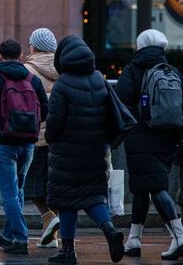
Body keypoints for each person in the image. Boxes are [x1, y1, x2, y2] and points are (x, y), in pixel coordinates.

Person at [46, 35, 124, 264]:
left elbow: (54, 122)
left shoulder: (63, 84)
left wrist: (50, 138)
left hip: (67, 153)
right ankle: (110, 230)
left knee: (66, 200)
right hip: (96, 150)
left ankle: (68, 251)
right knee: (92, 197)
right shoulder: (99, 79)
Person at [116, 29, 183, 260]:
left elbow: (121, 99)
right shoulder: (171, 70)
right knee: (142, 187)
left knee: (155, 187)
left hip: (140, 136)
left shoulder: (133, 69)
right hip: (168, 136)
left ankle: (179, 235)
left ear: (140, 45)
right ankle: (134, 240)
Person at [0, 39, 49, 255]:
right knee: (17, 190)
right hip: (28, 142)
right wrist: (30, 127)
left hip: (4, 142)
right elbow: (45, 109)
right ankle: (9, 235)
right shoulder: (32, 78)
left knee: (9, 193)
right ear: (20, 56)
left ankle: (20, 237)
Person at [22, 28, 60, 249]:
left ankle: (48, 217)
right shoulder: (63, 68)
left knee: (32, 184)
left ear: (34, 46)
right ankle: (52, 236)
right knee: (54, 185)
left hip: (35, 136)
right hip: (59, 137)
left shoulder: (27, 70)